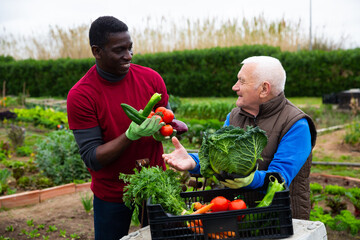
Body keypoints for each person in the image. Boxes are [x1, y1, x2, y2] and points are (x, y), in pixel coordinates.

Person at [163, 56, 317, 220]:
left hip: (280, 219)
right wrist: (193, 161)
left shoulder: (296, 124)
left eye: (241, 82)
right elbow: (218, 159)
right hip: (236, 215)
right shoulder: (235, 116)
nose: (234, 87)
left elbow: (280, 178)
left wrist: (248, 180)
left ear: (264, 89)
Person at [67, 16, 170, 240]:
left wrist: (171, 127)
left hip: (155, 182)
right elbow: (92, 157)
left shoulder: (151, 78)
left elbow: (167, 120)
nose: (128, 56)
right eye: (119, 50)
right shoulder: (82, 95)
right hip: (112, 191)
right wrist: (130, 135)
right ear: (97, 51)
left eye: (130, 47)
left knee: (162, 237)